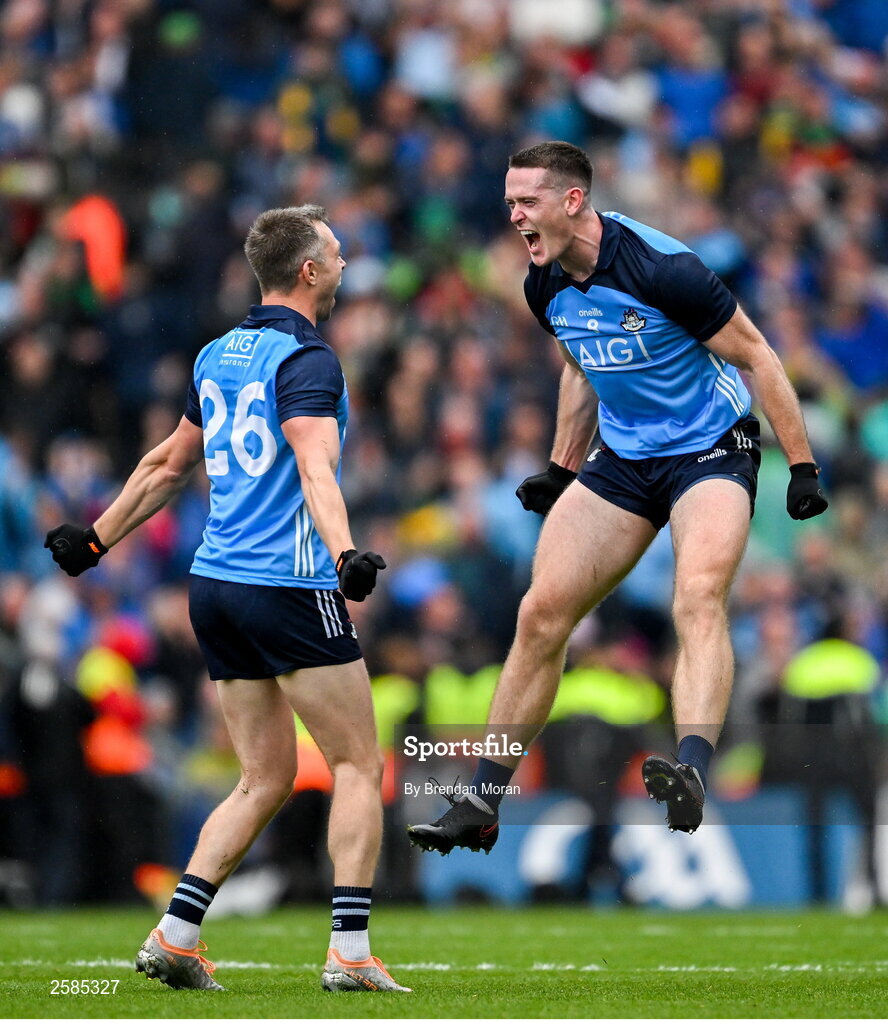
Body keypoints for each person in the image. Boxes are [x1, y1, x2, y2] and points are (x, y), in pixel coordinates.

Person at [408, 141, 828, 852]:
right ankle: (482, 797)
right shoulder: (542, 282)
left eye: (527, 202)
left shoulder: (663, 269)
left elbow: (758, 354)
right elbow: (580, 362)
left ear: (573, 201)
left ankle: (691, 767)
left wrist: (804, 464)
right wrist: (560, 464)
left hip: (709, 448)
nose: (514, 216)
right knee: (540, 612)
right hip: (625, 458)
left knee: (697, 594)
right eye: (509, 202)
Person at [45, 205, 410, 993]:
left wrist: (96, 539)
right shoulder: (309, 361)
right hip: (287, 586)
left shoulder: (217, 354)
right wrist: (345, 555)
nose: (344, 264)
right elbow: (317, 468)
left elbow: (169, 465)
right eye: (337, 254)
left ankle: (176, 933)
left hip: (215, 589)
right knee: (356, 762)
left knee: (263, 775)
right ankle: (349, 949)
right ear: (308, 272)